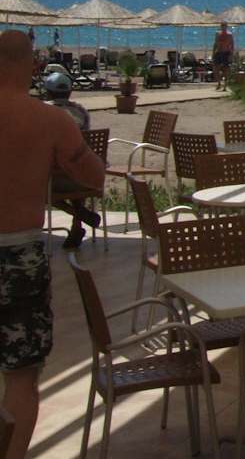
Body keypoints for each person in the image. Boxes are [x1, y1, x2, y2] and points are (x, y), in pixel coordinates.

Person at [0, 29, 105, 459]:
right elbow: (93, 178)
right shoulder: (49, 120)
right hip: (20, 255)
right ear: (30, 66)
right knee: (22, 375)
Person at [41, 72, 103, 249]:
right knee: (73, 167)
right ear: (69, 92)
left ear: (47, 92)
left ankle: (76, 213)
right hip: (83, 178)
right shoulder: (81, 112)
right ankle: (78, 221)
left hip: (53, 181)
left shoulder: (42, 112)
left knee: (31, 186)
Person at [212, 23, 235, 90]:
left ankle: (225, 84)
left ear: (226, 27)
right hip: (218, 52)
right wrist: (213, 53)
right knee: (216, 68)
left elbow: (232, 45)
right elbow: (215, 43)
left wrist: (231, 54)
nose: (223, 27)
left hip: (226, 52)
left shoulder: (229, 34)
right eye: (222, 26)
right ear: (221, 27)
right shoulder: (217, 33)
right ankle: (219, 83)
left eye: (224, 26)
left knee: (226, 69)